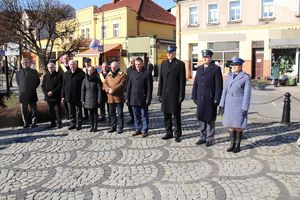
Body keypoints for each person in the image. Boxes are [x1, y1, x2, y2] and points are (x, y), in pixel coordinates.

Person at [219, 57, 251, 153]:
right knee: (230, 125)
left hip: (238, 104)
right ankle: (232, 144)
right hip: (229, 104)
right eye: (234, 65)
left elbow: (247, 94)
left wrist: (245, 107)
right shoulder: (229, 76)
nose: (235, 67)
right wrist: (221, 104)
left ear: (241, 65)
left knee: (238, 125)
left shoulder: (245, 77)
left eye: (237, 65)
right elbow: (224, 90)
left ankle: (238, 145)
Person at [191, 49, 223, 147]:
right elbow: (196, 83)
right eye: (204, 57)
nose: (205, 59)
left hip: (210, 98)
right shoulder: (200, 68)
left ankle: (210, 138)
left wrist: (217, 98)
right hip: (200, 98)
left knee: (210, 119)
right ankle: (202, 137)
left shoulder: (216, 69)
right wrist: (194, 95)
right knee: (201, 118)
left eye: (207, 57)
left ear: (210, 58)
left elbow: (219, 86)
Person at [157, 45, 186, 142]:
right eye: (168, 53)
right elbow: (160, 80)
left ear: (174, 53)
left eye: (171, 52)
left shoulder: (180, 64)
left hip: (175, 94)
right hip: (165, 93)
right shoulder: (163, 64)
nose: (169, 54)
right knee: (166, 114)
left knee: (176, 115)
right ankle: (168, 132)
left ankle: (177, 133)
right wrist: (159, 93)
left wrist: (181, 95)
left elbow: (182, 81)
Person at [126, 57, 153, 138]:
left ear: (142, 64)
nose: (138, 66)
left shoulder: (147, 73)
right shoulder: (131, 73)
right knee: (136, 115)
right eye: (136, 64)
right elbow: (128, 86)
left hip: (143, 98)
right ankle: (138, 129)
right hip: (133, 98)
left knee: (144, 115)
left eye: (139, 64)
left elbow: (149, 88)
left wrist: (148, 98)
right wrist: (127, 97)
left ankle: (145, 130)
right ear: (134, 64)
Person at [103, 61, 127, 134]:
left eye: (114, 67)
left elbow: (122, 85)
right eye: (112, 67)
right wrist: (107, 89)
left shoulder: (122, 75)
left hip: (119, 98)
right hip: (110, 98)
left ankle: (120, 127)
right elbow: (104, 83)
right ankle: (113, 127)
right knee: (111, 113)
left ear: (118, 67)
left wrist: (112, 90)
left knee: (120, 114)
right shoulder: (108, 75)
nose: (113, 68)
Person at [16, 57, 40, 128]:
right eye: (23, 63)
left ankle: (34, 123)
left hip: (32, 93)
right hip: (23, 94)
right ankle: (26, 123)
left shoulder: (34, 71)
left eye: (26, 62)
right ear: (21, 64)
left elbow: (37, 82)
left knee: (34, 110)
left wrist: (32, 88)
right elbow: (18, 82)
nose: (24, 64)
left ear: (29, 63)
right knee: (23, 110)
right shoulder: (18, 72)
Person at [62, 60, 85, 130]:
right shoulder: (66, 74)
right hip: (69, 96)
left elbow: (84, 85)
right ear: (69, 65)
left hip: (78, 95)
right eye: (71, 65)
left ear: (76, 65)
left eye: (74, 64)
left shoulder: (81, 73)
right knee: (71, 111)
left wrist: (83, 96)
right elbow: (63, 85)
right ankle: (73, 123)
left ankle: (79, 124)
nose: (72, 66)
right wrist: (62, 96)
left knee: (78, 111)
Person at [41, 62, 63, 129]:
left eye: (51, 67)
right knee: (51, 111)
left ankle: (59, 123)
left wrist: (52, 92)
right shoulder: (45, 76)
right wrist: (46, 93)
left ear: (54, 67)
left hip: (56, 96)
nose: (50, 68)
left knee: (57, 110)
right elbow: (43, 86)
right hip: (48, 96)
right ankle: (52, 123)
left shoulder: (59, 75)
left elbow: (60, 85)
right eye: (49, 67)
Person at [81, 66, 102, 132]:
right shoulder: (85, 79)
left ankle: (95, 126)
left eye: (91, 70)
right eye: (88, 70)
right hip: (87, 99)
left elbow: (99, 90)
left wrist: (99, 98)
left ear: (93, 71)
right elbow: (83, 90)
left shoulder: (97, 79)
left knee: (95, 113)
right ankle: (91, 126)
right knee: (90, 114)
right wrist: (82, 99)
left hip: (95, 98)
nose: (89, 72)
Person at [59, 54, 71, 118]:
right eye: (64, 58)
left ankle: (72, 113)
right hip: (63, 85)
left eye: (67, 58)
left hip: (71, 85)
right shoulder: (60, 67)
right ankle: (67, 113)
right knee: (65, 100)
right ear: (62, 59)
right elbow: (59, 76)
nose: (65, 59)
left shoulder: (71, 65)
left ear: (69, 58)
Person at [126, 57, 135, 125]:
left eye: (133, 61)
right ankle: (132, 118)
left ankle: (137, 118)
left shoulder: (137, 69)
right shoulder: (128, 70)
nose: (132, 62)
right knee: (129, 105)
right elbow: (127, 80)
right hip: (129, 90)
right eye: (131, 61)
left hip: (135, 89)